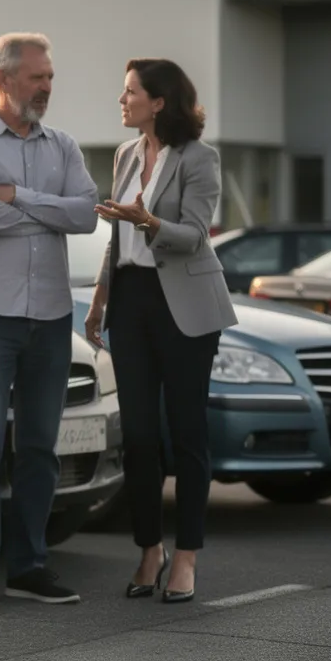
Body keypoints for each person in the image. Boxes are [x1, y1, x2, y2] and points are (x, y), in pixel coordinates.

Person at [0, 32, 100, 613]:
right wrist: (44, 210)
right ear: (4, 80)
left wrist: (20, 198)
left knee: (39, 447)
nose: (47, 87)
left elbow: (87, 214)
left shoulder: (63, 144)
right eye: (38, 77)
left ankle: (30, 566)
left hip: (52, 317)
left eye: (51, 77)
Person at [84, 58, 237, 603]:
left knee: (187, 432)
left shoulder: (200, 159)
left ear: (159, 101)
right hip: (131, 302)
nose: (121, 101)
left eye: (130, 92)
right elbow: (115, 240)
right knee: (141, 437)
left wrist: (145, 220)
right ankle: (150, 549)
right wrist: (101, 301)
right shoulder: (126, 154)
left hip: (186, 306)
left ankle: (187, 556)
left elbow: (194, 235)